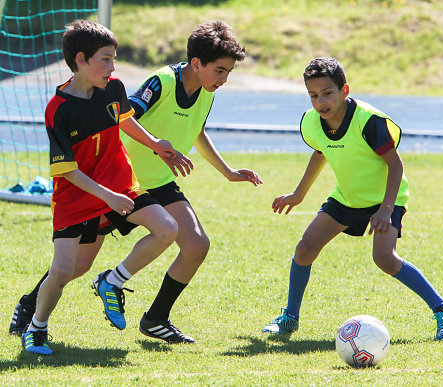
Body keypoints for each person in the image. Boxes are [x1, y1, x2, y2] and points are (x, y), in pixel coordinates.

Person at [10, 20, 262, 345]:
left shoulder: (196, 91)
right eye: (220, 71)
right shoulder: (159, 82)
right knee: (75, 265)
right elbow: (122, 120)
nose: (224, 79)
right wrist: (123, 170)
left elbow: (167, 125)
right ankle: (31, 309)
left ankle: (146, 311)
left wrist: (221, 169)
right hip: (109, 185)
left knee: (190, 241)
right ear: (197, 63)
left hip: (142, 183)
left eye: (228, 72)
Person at [19, 19, 192, 355]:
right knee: (69, 269)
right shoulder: (59, 110)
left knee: (167, 228)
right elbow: (66, 170)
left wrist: (156, 143)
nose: (113, 66)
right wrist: (107, 196)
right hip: (78, 197)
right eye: (106, 59)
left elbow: (125, 118)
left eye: (114, 58)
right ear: (81, 60)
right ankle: (36, 326)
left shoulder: (113, 88)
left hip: (121, 186)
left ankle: (112, 280)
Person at [262, 57, 443, 341]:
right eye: (313, 95)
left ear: (345, 90)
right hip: (347, 197)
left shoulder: (368, 122)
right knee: (305, 248)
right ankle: (289, 318)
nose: (320, 102)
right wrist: (298, 194)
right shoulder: (312, 123)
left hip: (386, 199)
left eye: (327, 93)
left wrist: (385, 210)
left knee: (384, 258)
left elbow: (396, 166)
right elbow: (320, 152)